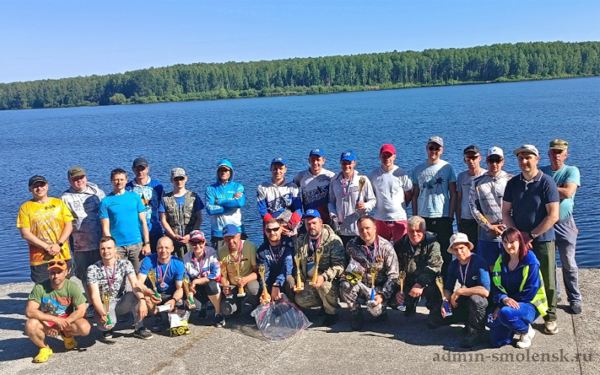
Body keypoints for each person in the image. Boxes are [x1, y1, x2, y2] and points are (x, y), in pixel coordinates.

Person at [502, 144, 560, 334]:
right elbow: (505, 212)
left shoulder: (547, 182)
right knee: (519, 278)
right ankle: (521, 314)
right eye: (520, 158)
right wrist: (517, 236)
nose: (524, 162)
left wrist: (531, 235)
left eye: (528, 158)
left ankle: (549, 316)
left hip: (543, 239)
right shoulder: (513, 183)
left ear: (537, 159)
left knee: (547, 278)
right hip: (518, 241)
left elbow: (553, 215)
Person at [488, 228, 548, 349]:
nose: (508, 246)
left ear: (520, 242)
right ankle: (512, 326)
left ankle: (526, 331)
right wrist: (503, 298)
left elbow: (530, 291)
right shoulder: (501, 260)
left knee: (505, 313)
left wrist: (502, 305)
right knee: (496, 341)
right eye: (505, 242)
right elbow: (496, 285)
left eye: (512, 242)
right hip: (508, 303)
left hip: (530, 304)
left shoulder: (531, 262)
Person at [540, 139, 582, 314]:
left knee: (569, 263)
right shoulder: (542, 171)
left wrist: (546, 187)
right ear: (549, 154)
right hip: (546, 222)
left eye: (560, 152)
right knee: (548, 264)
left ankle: (574, 299)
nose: (556, 155)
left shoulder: (571, 171)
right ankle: (554, 295)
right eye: (553, 151)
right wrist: (558, 187)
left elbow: (568, 192)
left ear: (566, 154)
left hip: (565, 224)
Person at [25, 259, 91, 363]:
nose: (56, 276)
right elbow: (30, 311)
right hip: (48, 320)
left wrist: (63, 322)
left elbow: (82, 310)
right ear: (48, 273)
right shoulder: (40, 287)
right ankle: (45, 348)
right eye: (52, 273)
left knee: (84, 328)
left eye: (59, 272)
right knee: (31, 324)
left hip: (66, 319)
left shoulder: (72, 287)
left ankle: (67, 337)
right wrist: (55, 320)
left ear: (66, 272)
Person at [61, 166, 106, 317]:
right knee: (84, 275)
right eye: (75, 179)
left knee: (102, 274)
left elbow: (106, 213)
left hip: (100, 242)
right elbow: (64, 223)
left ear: (85, 177)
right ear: (70, 181)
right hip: (79, 244)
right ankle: (92, 303)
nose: (79, 181)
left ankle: (105, 302)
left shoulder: (97, 192)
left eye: (81, 177)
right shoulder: (65, 198)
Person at [87, 236, 152, 340]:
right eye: (102, 248)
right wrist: (102, 313)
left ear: (115, 249)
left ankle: (139, 328)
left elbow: (135, 284)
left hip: (121, 302)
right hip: (104, 305)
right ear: (99, 250)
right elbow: (94, 295)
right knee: (105, 325)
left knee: (134, 295)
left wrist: (143, 300)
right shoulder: (92, 269)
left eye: (109, 248)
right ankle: (108, 328)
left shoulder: (125, 264)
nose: (106, 251)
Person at [341, 216, 399, 331]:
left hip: (378, 288)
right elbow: (345, 263)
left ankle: (381, 312)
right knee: (345, 285)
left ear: (375, 228)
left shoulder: (386, 247)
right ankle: (356, 314)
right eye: (361, 229)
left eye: (367, 228)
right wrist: (345, 275)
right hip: (359, 283)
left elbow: (394, 275)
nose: (364, 232)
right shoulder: (351, 245)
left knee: (376, 311)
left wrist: (382, 295)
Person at [411, 136, 457, 278]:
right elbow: (415, 195)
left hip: (442, 216)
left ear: (441, 150)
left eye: (437, 149)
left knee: (445, 252)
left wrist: (450, 216)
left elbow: (453, 194)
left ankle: (445, 284)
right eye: (431, 148)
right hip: (424, 217)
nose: (434, 151)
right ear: (427, 149)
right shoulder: (418, 169)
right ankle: (425, 282)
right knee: (424, 251)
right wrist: (415, 217)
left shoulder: (448, 168)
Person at [18, 175, 74, 283]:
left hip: (62, 253)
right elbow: (25, 233)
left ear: (47, 186)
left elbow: (69, 225)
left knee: (65, 286)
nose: (39, 188)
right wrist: (47, 247)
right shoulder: (25, 208)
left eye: (42, 185)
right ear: (30, 189)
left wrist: (59, 244)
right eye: (35, 186)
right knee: (44, 289)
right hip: (39, 258)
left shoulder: (59, 203)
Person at [293, 209, 345, 326]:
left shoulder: (333, 240)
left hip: (329, 281)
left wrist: (324, 276)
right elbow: (297, 264)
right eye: (308, 224)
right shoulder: (300, 241)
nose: (311, 226)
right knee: (300, 299)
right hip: (309, 280)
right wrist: (299, 281)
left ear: (321, 223)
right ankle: (324, 303)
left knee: (323, 285)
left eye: (314, 223)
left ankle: (331, 312)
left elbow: (340, 265)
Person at [393, 216, 444, 328]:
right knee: (394, 300)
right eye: (411, 231)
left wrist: (420, 284)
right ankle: (408, 303)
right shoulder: (400, 245)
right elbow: (395, 269)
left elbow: (434, 267)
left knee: (435, 289)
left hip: (426, 281)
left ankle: (434, 309)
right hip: (408, 280)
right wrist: (398, 289)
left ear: (424, 231)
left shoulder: (432, 243)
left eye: (418, 231)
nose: (415, 234)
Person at [443, 233, 490, 348]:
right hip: (467, 298)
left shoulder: (478, 262)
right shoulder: (454, 264)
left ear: (468, 247)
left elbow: (485, 291)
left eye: (462, 248)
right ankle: (468, 322)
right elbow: (448, 287)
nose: (459, 252)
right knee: (434, 319)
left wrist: (459, 292)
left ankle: (477, 331)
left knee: (476, 300)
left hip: (483, 300)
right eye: (456, 249)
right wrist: (445, 301)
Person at [469, 147, 513, 271]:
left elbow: (518, 207)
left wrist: (508, 227)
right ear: (486, 161)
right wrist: (489, 227)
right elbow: (473, 207)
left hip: (508, 233)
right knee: (487, 271)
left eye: (497, 160)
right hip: (486, 234)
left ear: (503, 161)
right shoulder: (477, 182)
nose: (494, 164)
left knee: (508, 269)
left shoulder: (512, 180)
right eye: (491, 160)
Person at [100, 169, 151, 272]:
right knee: (119, 278)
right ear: (111, 181)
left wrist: (147, 243)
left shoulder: (135, 197)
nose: (119, 182)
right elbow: (105, 228)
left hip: (136, 244)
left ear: (126, 180)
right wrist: (111, 248)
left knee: (141, 276)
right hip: (118, 246)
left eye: (122, 179)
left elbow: (143, 222)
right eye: (116, 180)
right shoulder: (106, 201)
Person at [137, 236, 185, 332]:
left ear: (172, 249)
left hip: (170, 294)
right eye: (160, 247)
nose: (163, 250)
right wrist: (149, 292)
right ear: (156, 248)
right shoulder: (148, 260)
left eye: (167, 248)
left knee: (180, 301)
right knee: (145, 297)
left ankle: (172, 311)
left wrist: (174, 300)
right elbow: (138, 282)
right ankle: (157, 316)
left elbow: (180, 288)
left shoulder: (178, 263)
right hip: (154, 294)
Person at [328, 150, 376, 246]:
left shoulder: (362, 179)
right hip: (341, 229)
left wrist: (365, 205)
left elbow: (373, 200)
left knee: (360, 258)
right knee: (342, 258)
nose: (346, 166)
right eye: (344, 163)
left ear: (354, 163)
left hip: (358, 230)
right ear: (340, 163)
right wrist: (333, 214)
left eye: (349, 163)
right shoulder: (334, 180)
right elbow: (331, 201)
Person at [369, 144, 413, 243]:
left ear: (394, 156)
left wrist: (400, 206)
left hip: (399, 218)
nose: (386, 158)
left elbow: (409, 194)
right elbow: (372, 194)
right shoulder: (373, 174)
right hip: (380, 219)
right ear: (379, 156)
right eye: (383, 156)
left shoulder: (402, 173)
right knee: (381, 249)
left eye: (389, 156)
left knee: (401, 249)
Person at [182, 230, 225, 327]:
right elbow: (186, 277)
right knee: (194, 307)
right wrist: (189, 291)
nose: (197, 246)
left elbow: (216, 274)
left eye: (200, 242)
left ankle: (218, 313)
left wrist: (196, 281)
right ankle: (203, 307)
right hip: (196, 289)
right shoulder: (186, 257)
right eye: (194, 243)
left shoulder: (212, 253)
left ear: (204, 242)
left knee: (213, 285)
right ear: (189, 243)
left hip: (210, 285)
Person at [159, 167, 204, 260]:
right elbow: (163, 220)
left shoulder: (193, 197)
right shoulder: (165, 199)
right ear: (171, 180)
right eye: (176, 179)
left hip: (190, 240)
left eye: (181, 178)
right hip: (173, 240)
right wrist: (173, 235)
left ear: (186, 178)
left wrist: (191, 235)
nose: (179, 181)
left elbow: (199, 218)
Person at [218, 224, 260, 315]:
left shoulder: (251, 247)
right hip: (233, 284)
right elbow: (222, 274)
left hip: (248, 281)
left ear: (239, 236)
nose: (231, 241)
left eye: (233, 238)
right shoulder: (221, 252)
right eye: (227, 239)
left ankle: (256, 308)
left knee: (253, 289)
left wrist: (245, 279)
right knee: (227, 310)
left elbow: (257, 272)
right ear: (223, 239)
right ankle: (237, 307)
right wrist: (225, 286)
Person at [126, 157, 164, 253]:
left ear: (147, 169)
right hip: (136, 232)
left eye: (142, 169)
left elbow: (162, 206)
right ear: (132, 169)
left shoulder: (157, 186)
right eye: (137, 169)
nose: (140, 172)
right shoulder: (128, 188)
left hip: (155, 229)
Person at [257, 157, 303, 237]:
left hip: (288, 226)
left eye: (281, 168)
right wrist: (276, 227)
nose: (278, 171)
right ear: (271, 169)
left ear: (285, 169)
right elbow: (263, 211)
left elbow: (299, 209)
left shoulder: (292, 187)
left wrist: (289, 226)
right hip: (271, 227)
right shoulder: (262, 187)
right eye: (275, 168)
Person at [205, 159, 246, 249]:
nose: (223, 172)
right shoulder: (210, 189)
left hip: (237, 231)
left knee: (240, 261)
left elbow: (239, 203)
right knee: (220, 261)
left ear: (230, 172)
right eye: (221, 170)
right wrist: (230, 205)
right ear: (217, 172)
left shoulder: (238, 186)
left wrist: (219, 202)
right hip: (218, 233)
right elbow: (210, 210)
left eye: (226, 170)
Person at [256, 218, 295, 303]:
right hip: (271, 280)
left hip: (283, 279)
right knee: (258, 290)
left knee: (290, 280)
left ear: (281, 229)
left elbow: (287, 266)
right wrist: (264, 289)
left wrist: (277, 284)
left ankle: (294, 308)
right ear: (265, 231)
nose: (272, 233)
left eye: (275, 229)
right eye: (268, 230)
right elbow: (264, 273)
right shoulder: (261, 250)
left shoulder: (289, 243)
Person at [456, 145, 487, 252]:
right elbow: (458, 200)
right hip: (466, 220)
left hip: (483, 221)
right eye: (468, 158)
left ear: (480, 158)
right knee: (467, 251)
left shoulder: (486, 175)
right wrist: (458, 220)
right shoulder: (461, 177)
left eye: (474, 158)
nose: (471, 161)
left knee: (482, 251)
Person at [293, 148, 336, 224]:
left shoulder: (330, 176)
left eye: (318, 160)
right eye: (313, 160)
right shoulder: (301, 176)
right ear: (309, 161)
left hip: (327, 218)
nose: (315, 162)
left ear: (323, 161)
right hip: (309, 218)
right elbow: (292, 191)